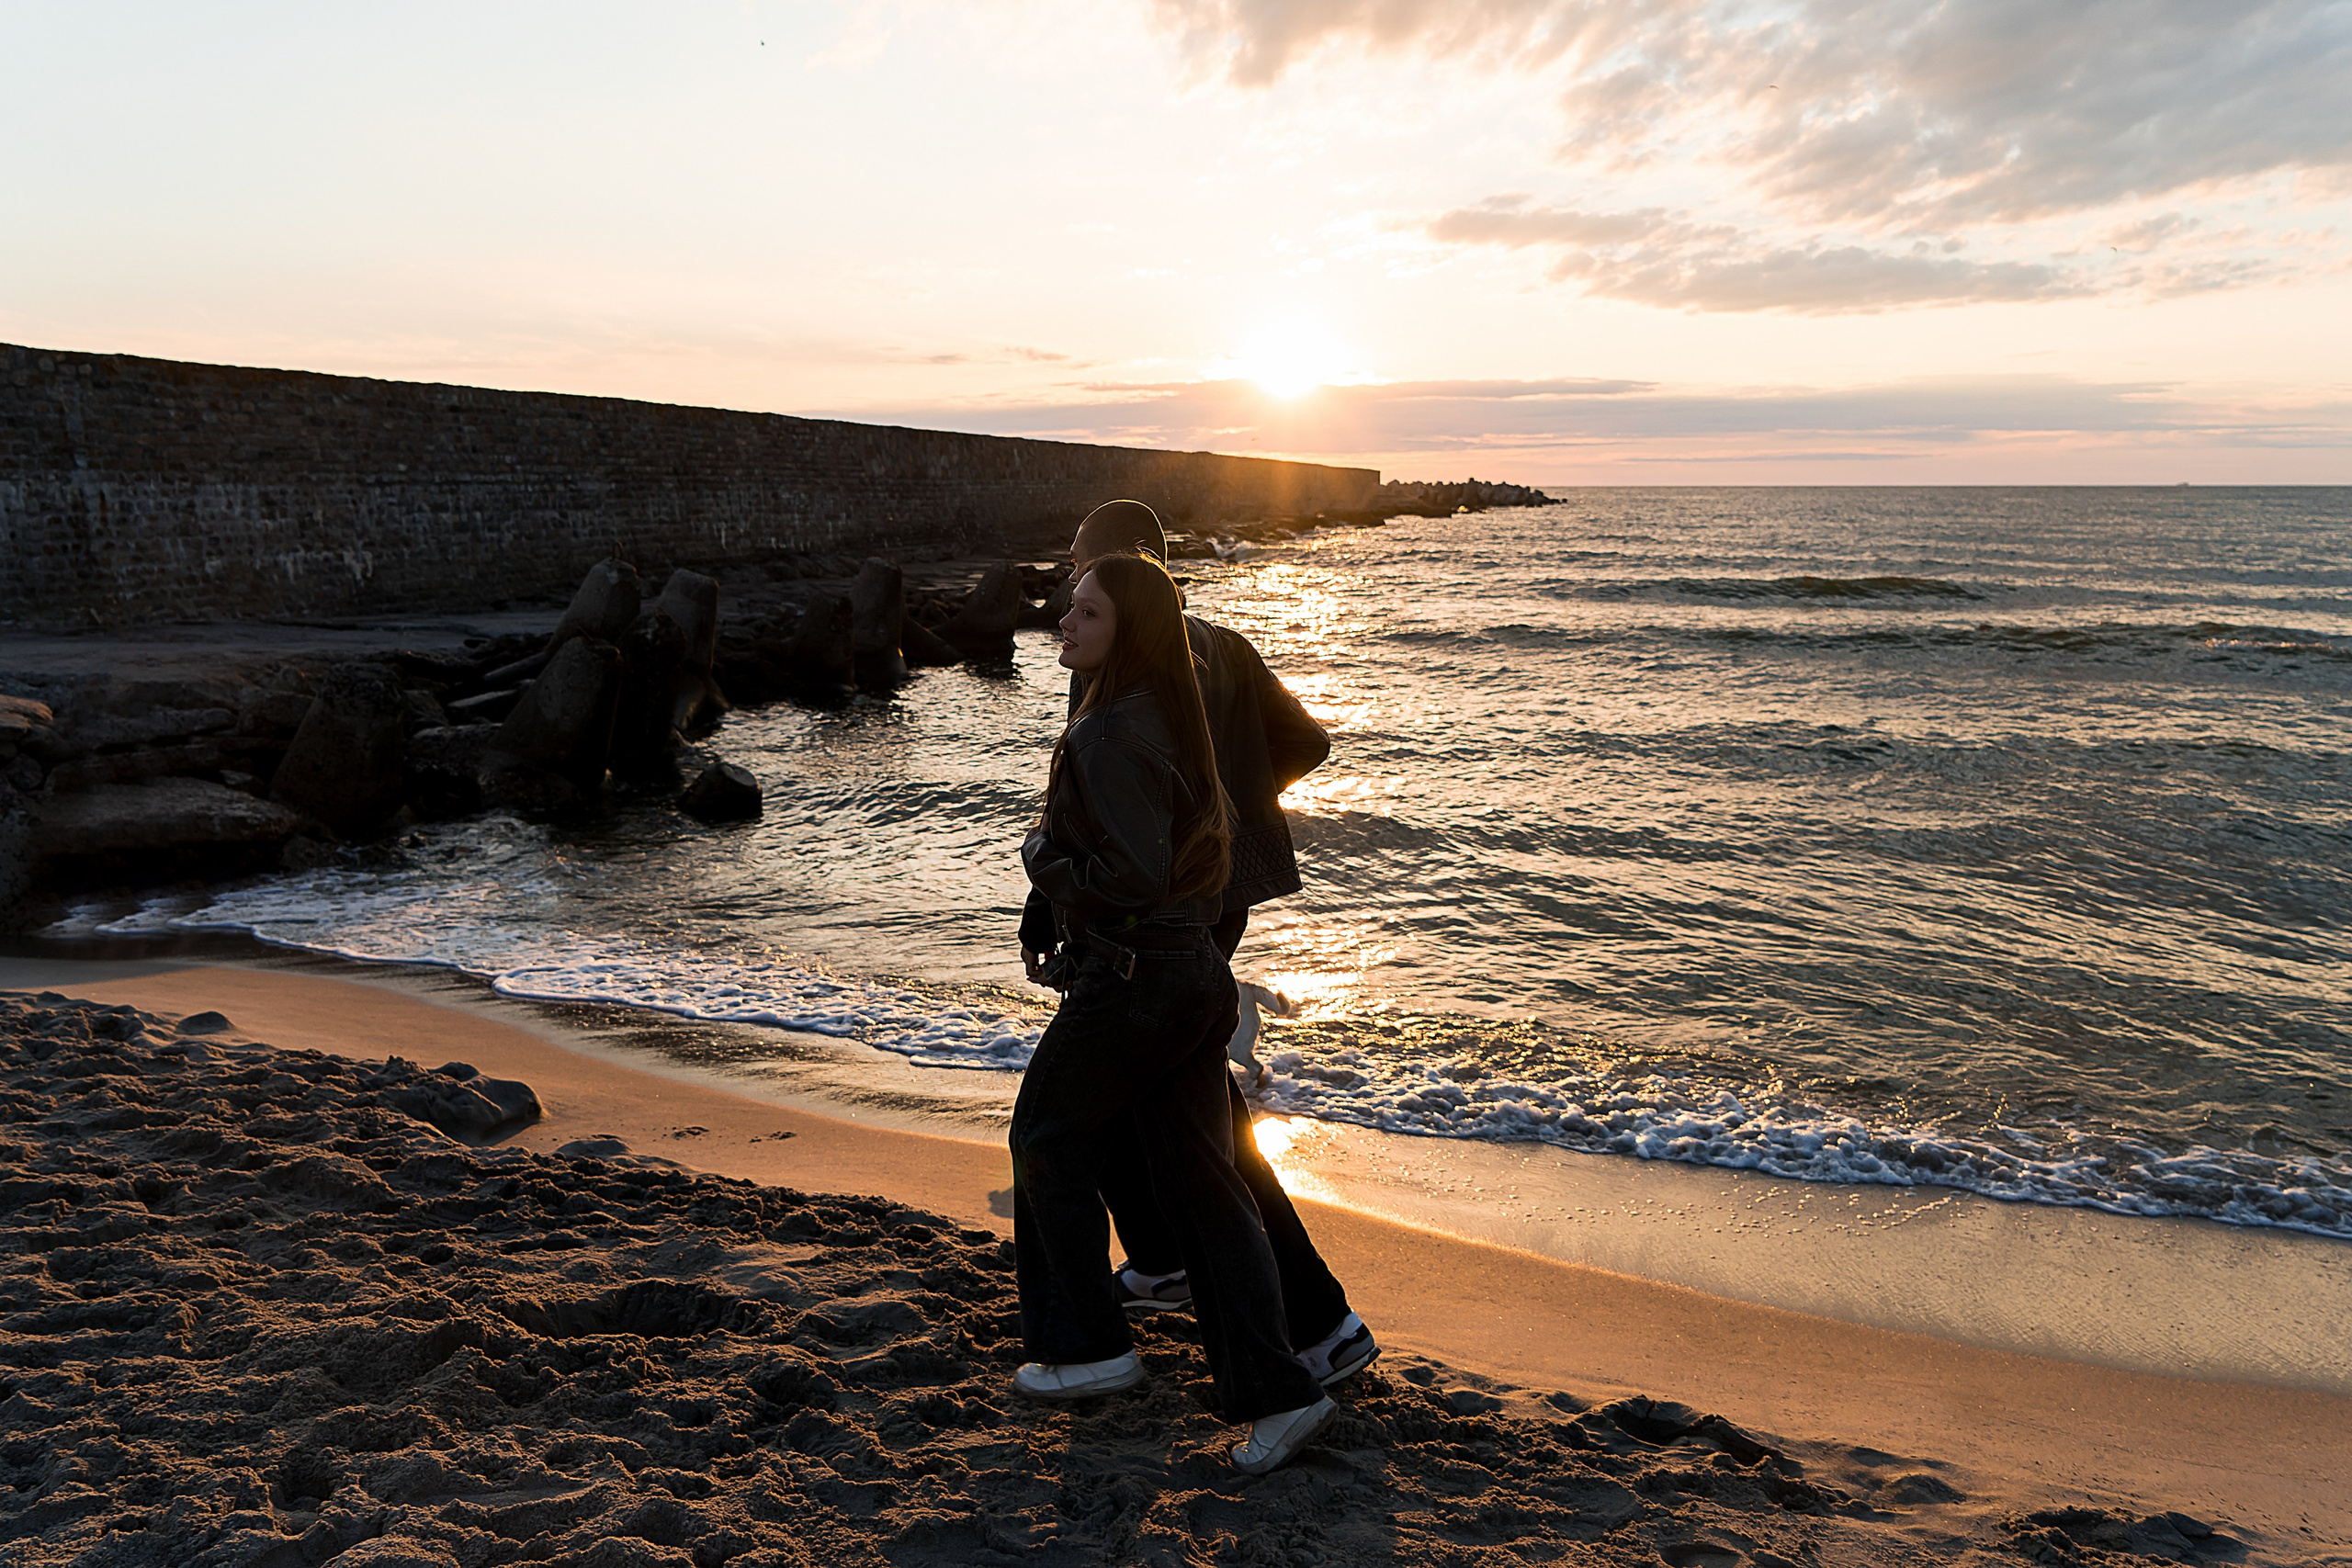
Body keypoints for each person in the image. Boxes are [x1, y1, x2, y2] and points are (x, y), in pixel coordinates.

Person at [1021, 500, 1378, 1390]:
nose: (1070, 587)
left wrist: (1048, 891)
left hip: (1151, 916)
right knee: (1161, 1096)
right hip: (1214, 899)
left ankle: (1318, 1319)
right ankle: (1162, 1260)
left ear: (1123, 574)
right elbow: (1307, 738)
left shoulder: (1123, 656)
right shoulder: (1223, 641)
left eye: (1081, 569)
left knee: (1186, 1113)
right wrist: (1219, 807)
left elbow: (1094, 816)